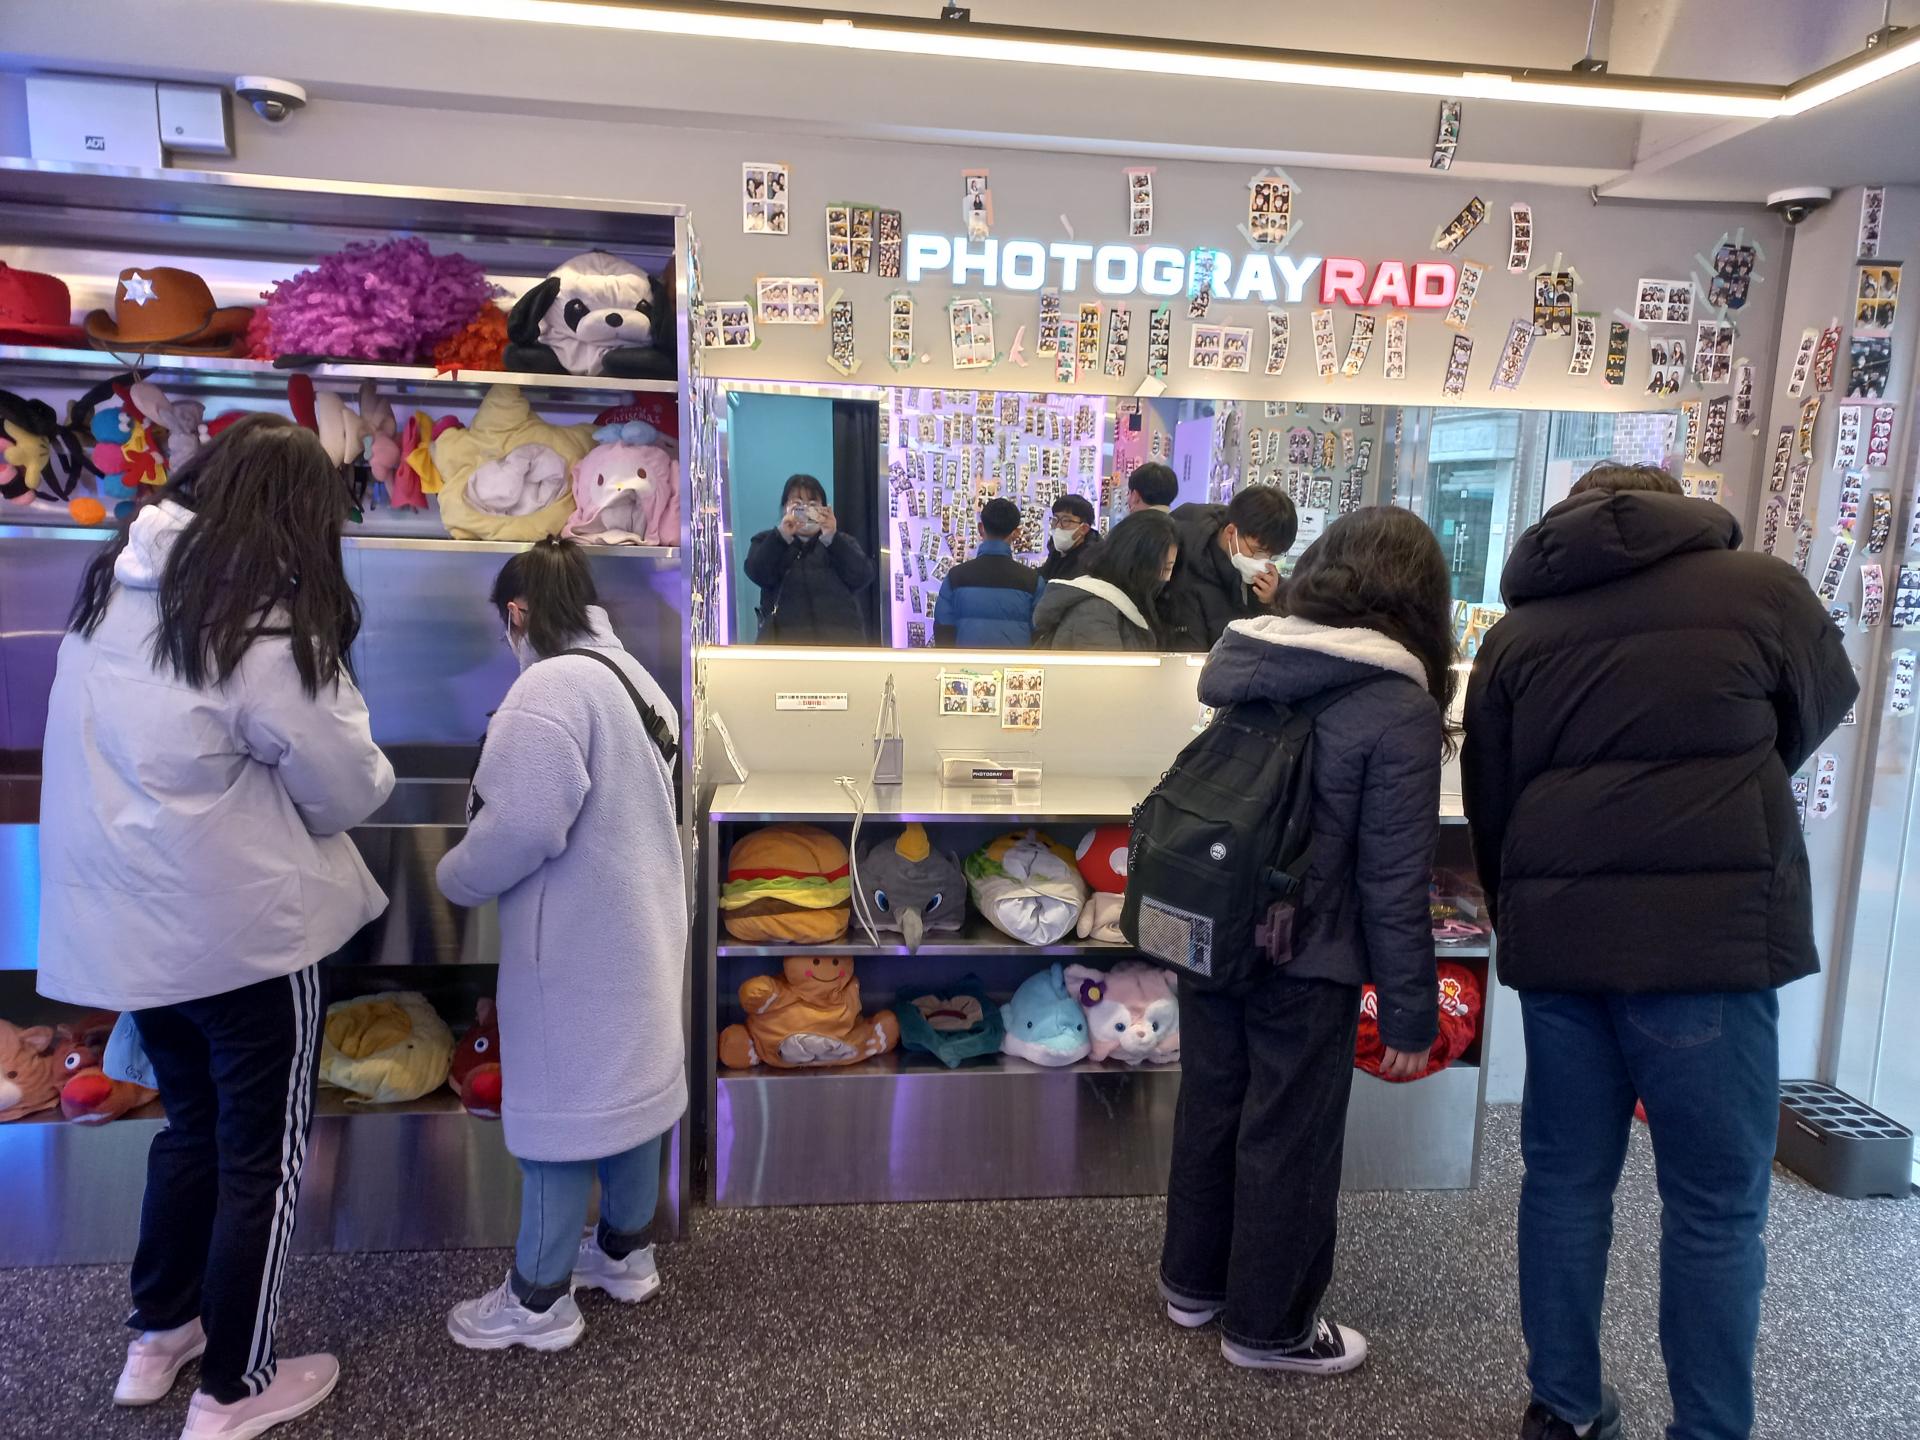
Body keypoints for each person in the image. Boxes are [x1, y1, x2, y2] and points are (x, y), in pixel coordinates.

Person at [1462, 465, 1857, 1440]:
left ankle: (1563, 1409)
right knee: (1715, 1206)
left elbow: (1491, 800)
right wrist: (1727, 783)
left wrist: (1530, 907)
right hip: (1709, 941)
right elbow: (1820, 705)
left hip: (1561, 942)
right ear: (1676, 507)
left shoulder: (1517, 636)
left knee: (1562, 1181)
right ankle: (1710, 1429)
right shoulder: (1763, 592)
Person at [36, 414, 394, 1437]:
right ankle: (237, 1389)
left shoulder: (113, 594)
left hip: (132, 934)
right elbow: (348, 786)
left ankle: (161, 1336)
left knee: (188, 1130)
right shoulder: (262, 625)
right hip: (243, 938)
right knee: (262, 1161)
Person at [1160, 506, 1450, 1376]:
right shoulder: (1396, 704)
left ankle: (1192, 1285)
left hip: (1217, 925)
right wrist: (1408, 1014)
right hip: (1308, 952)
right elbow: (1393, 880)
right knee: (1288, 1134)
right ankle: (1271, 1329)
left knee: (1212, 1107)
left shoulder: (1256, 658)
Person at [438, 538, 686, 1353]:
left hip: (576, 951)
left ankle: (539, 1300)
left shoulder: (548, 688)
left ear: (518, 613)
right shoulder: (634, 676)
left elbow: (522, 825)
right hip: (644, 931)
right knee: (633, 1100)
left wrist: (455, 877)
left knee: (559, 1118)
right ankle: (625, 1254)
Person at [1162, 486, 1298, 651]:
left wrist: (1271, 602)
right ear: (1230, 532)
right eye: (1258, 551)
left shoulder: (1267, 580)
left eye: (1273, 556)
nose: (1264, 561)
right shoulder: (1183, 565)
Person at [743, 474, 873, 644]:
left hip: (840, 649)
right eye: (797, 504)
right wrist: (781, 537)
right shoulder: (766, 541)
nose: (806, 511)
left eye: (813, 505)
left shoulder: (842, 542)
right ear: (784, 509)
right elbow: (757, 572)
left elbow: (863, 576)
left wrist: (832, 538)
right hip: (783, 649)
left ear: (824, 509)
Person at [1032, 509, 1176, 651]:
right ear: (1136, 563)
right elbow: (1102, 673)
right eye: (1165, 569)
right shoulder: (1096, 611)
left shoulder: (1119, 605)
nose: (1166, 578)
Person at [934, 497, 1045, 647]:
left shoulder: (956, 577)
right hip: (1014, 668)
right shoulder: (1032, 580)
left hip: (966, 668)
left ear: (980, 528)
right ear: (1016, 533)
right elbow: (1040, 634)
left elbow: (943, 630)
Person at [1040, 493, 1103, 582]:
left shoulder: (1092, 562)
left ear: (1084, 529)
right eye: (1055, 520)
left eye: (1065, 521)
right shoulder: (1056, 551)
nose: (1058, 526)